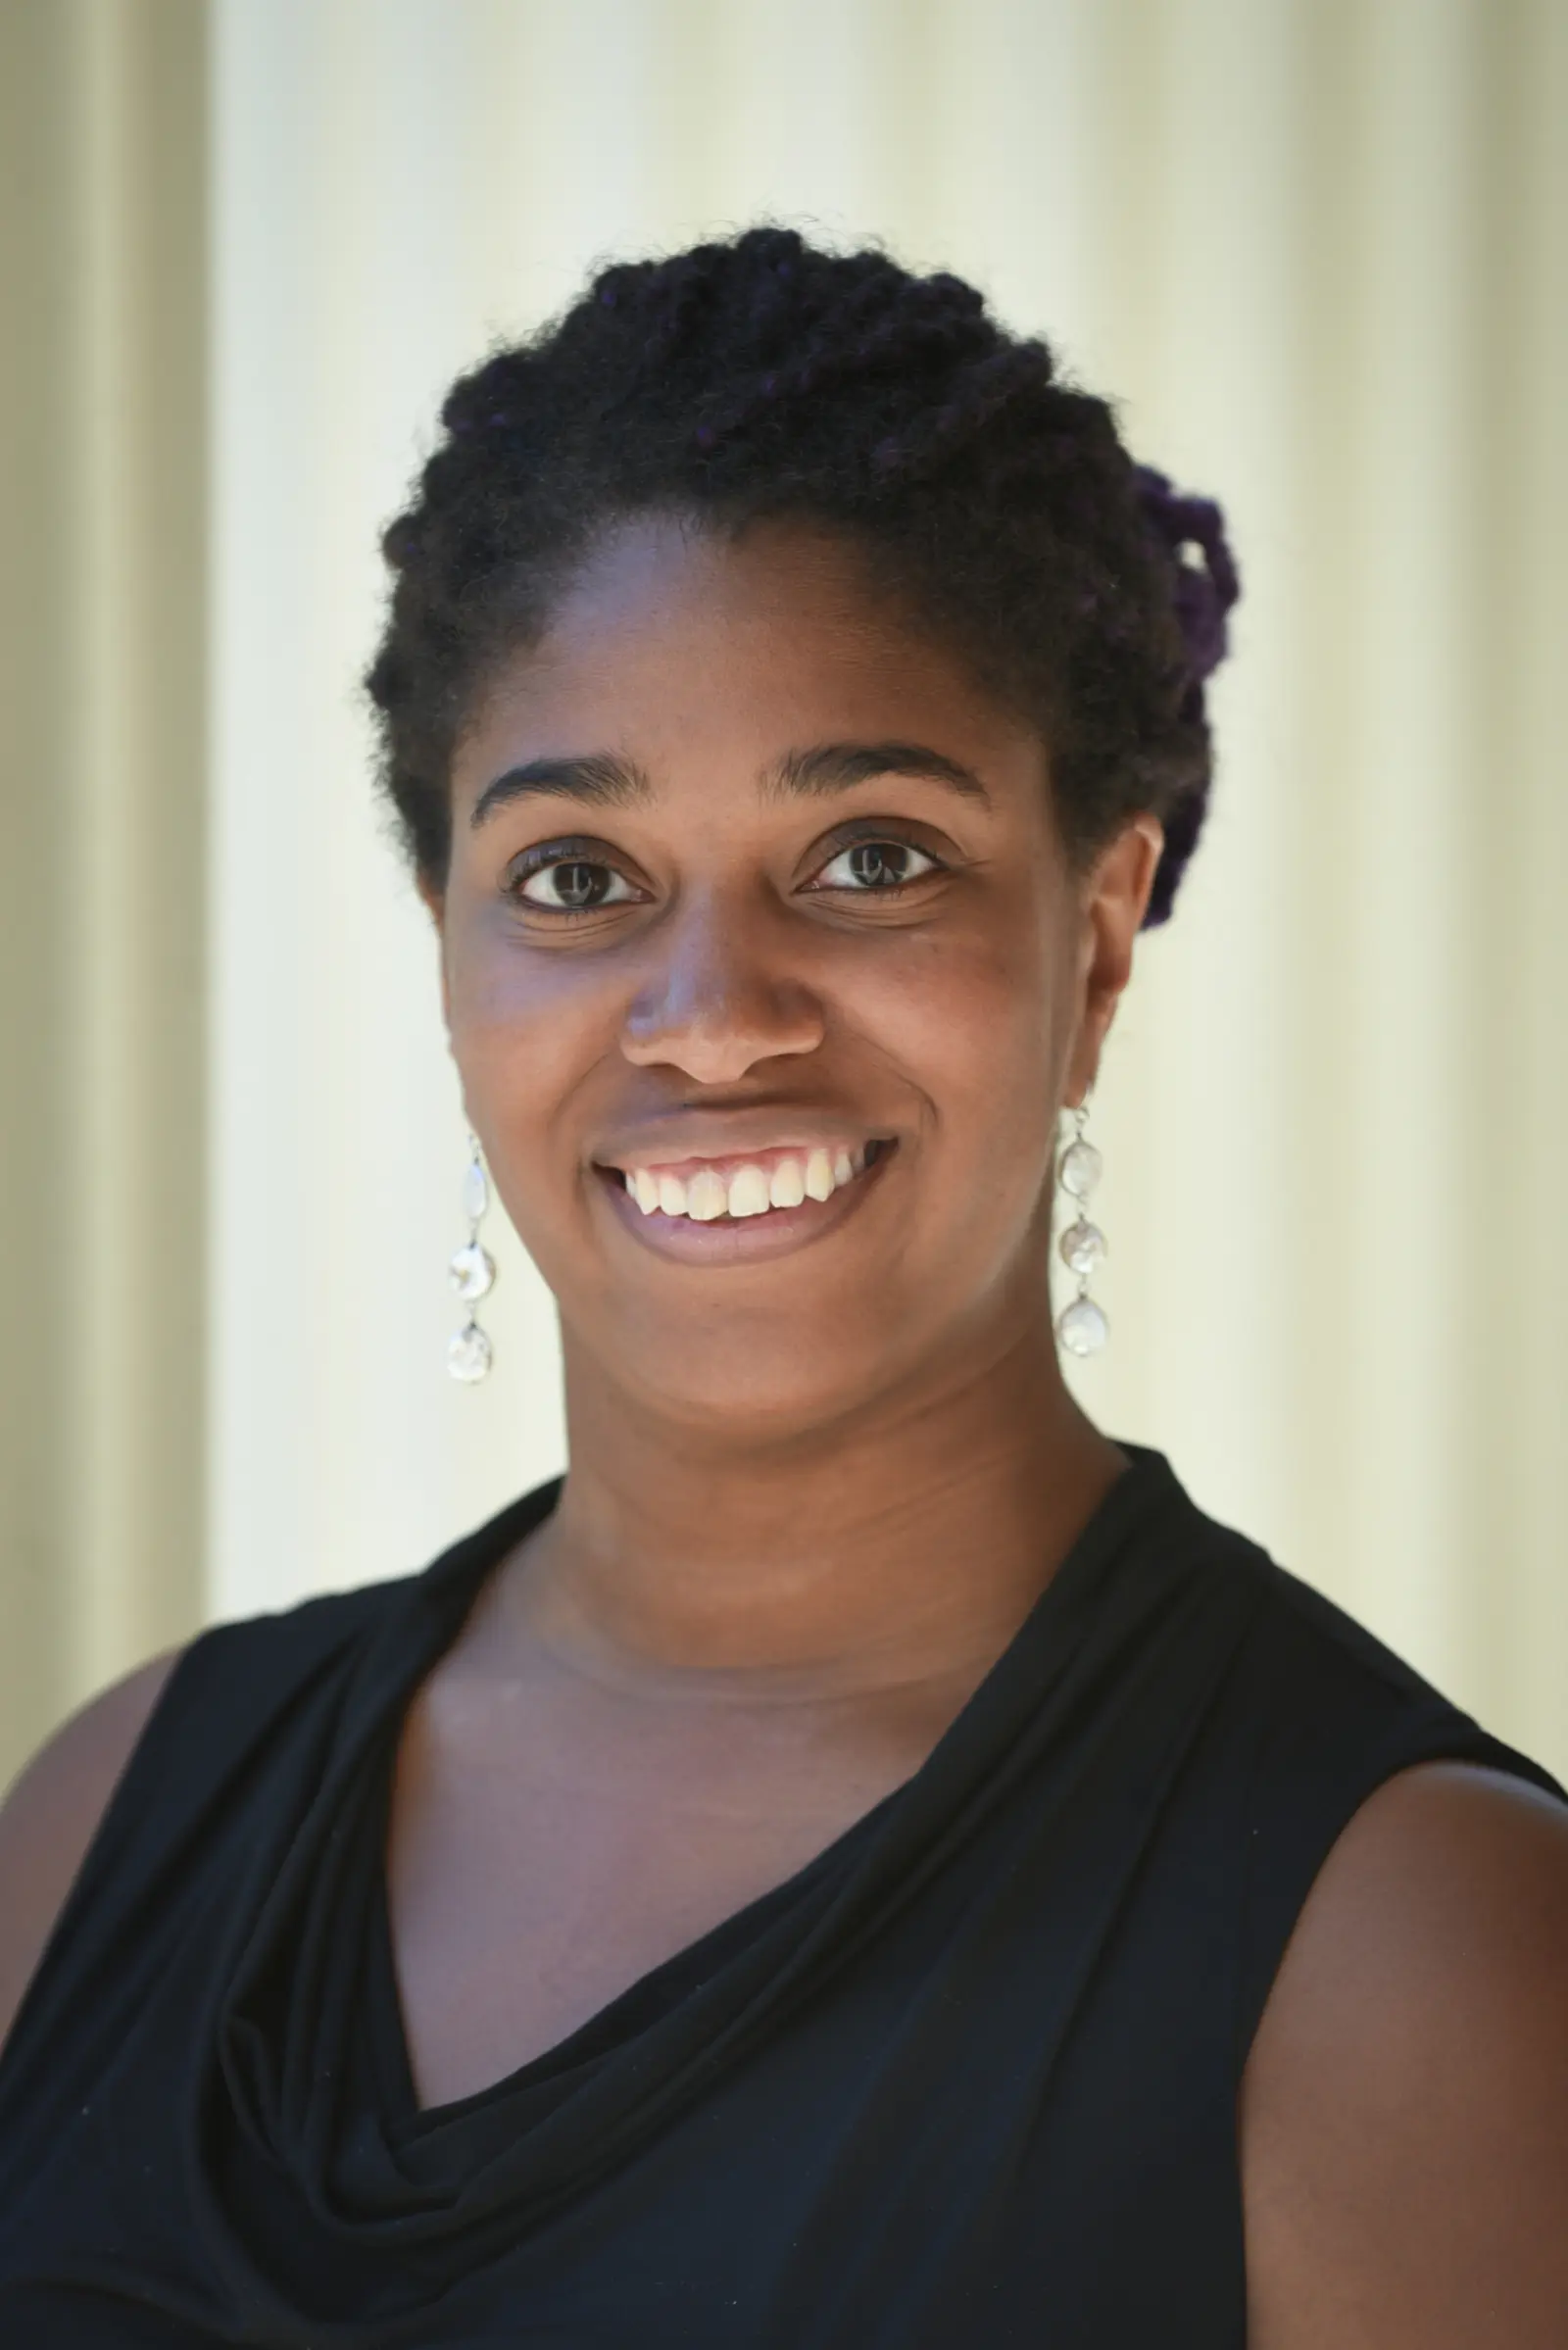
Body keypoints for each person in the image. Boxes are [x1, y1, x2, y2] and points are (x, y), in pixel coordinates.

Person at [0, 226, 1564, 2349]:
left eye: (870, 858)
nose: (710, 1015)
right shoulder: (113, 1814)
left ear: (1093, 938)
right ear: (448, 952)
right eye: (573, 877)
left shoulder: (1412, 1950)